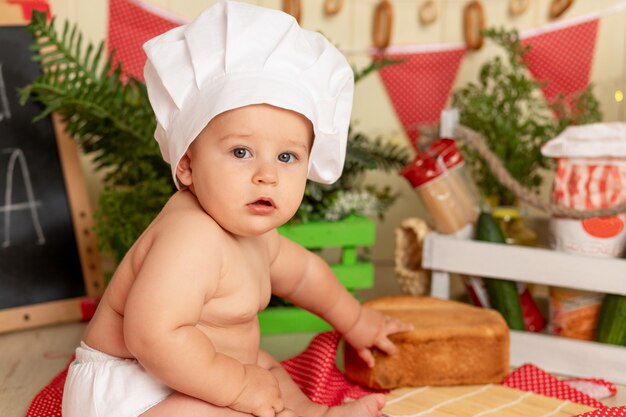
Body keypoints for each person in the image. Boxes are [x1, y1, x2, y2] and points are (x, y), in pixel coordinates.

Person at [62, 1, 412, 417]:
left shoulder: (259, 238)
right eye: (241, 151)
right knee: (234, 394)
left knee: (265, 367)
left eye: (287, 157)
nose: (267, 175)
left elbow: (304, 276)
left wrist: (355, 321)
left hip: (196, 375)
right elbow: (152, 336)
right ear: (188, 165)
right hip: (132, 387)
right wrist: (237, 386)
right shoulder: (190, 236)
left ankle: (316, 414)